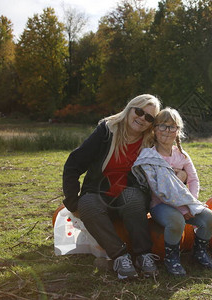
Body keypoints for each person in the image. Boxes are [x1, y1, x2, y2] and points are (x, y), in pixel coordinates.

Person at [62, 94, 161, 279]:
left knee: (132, 197)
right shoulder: (107, 131)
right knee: (88, 204)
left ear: (152, 123)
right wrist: (72, 202)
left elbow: (169, 161)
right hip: (98, 194)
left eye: (149, 117)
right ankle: (120, 256)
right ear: (130, 108)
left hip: (130, 200)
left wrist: (184, 174)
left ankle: (143, 254)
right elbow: (73, 164)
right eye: (139, 111)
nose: (142, 118)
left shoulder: (150, 142)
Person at [131, 107, 212, 276]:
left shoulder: (182, 156)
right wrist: (183, 208)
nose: (167, 130)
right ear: (154, 130)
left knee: (210, 219)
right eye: (162, 126)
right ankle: (172, 258)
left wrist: (191, 203)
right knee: (176, 221)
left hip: (185, 204)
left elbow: (193, 179)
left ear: (178, 131)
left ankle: (199, 252)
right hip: (160, 205)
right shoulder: (150, 156)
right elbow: (159, 189)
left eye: (172, 127)